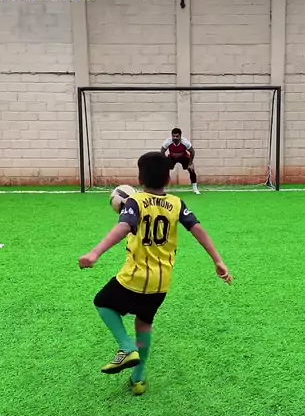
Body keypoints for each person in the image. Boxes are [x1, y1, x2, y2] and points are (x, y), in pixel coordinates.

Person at [78, 151, 231, 396]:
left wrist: (95, 253)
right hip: (161, 283)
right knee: (144, 323)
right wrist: (218, 261)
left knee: (102, 302)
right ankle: (138, 378)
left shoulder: (135, 202)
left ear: (140, 178)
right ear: (168, 178)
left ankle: (127, 346)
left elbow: (124, 226)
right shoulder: (177, 203)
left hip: (134, 277)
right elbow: (197, 229)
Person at [161, 128, 200, 194]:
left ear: (180, 136)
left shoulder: (185, 142)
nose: (175, 138)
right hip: (172, 157)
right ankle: (163, 187)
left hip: (183, 157)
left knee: (191, 170)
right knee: (164, 169)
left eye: (177, 136)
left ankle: (195, 188)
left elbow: (192, 152)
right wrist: (164, 162)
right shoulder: (167, 142)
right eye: (173, 136)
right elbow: (162, 152)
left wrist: (190, 163)